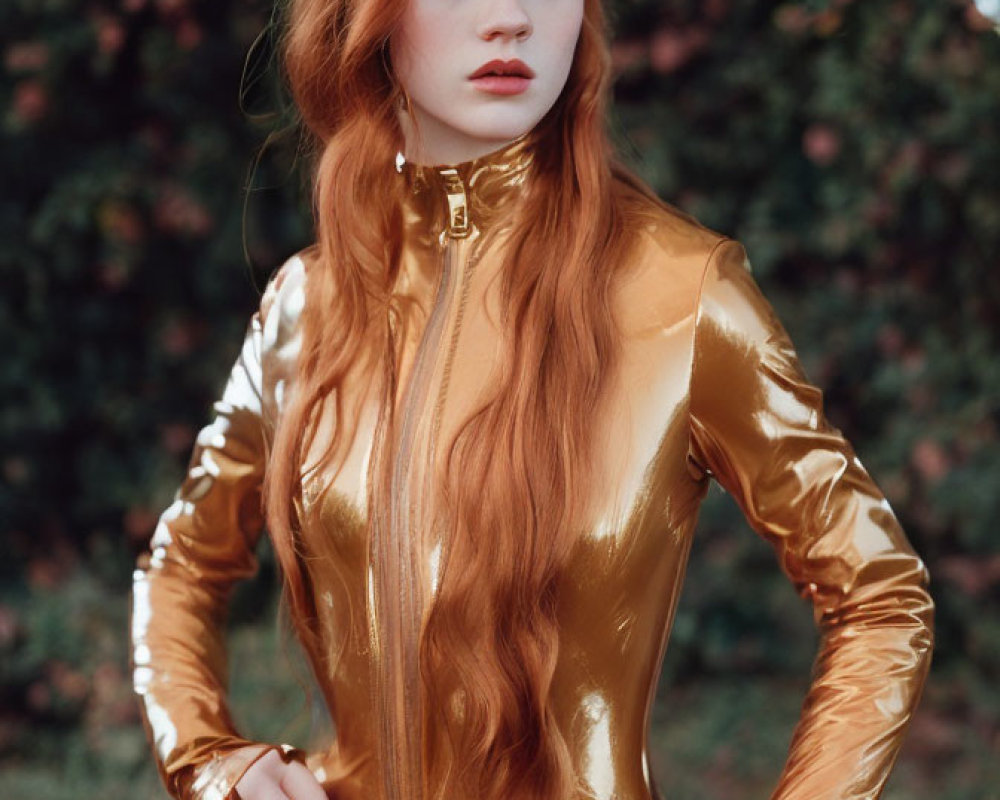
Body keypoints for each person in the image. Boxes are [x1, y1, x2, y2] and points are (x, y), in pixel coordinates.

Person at [129, 0, 936, 796]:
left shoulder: (680, 294)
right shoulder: (309, 303)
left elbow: (880, 596)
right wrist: (208, 760)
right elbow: (181, 568)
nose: (510, 18)